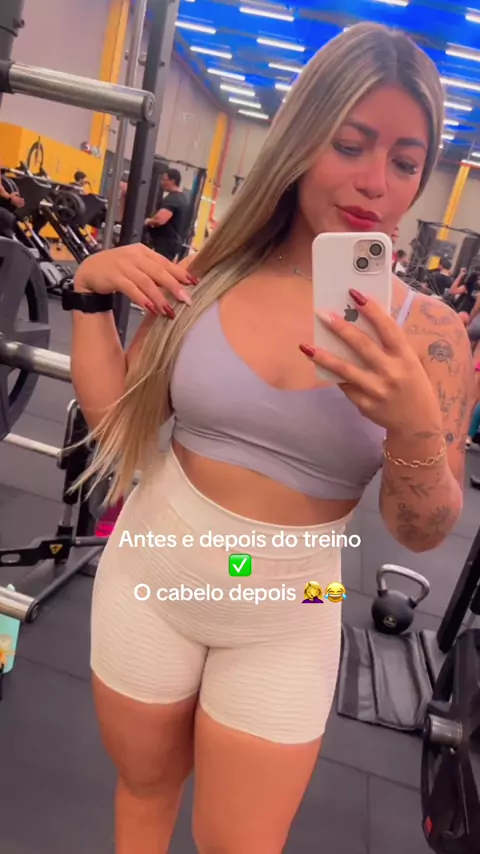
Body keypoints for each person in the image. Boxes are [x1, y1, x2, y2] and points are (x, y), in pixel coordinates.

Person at [69, 23, 472, 854]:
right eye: (349, 145)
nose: (375, 183)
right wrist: (87, 295)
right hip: (151, 570)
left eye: (405, 162)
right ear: (300, 138)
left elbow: (421, 530)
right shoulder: (214, 272)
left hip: (294, 607)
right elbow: (118, 424)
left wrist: (412, 424)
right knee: (143, 795)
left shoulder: (428, 332)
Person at [144, 167, 189, 261]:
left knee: (155, 267)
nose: (162, 182)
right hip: (171, 244)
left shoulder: (173, 199)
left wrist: (147, 221)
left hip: (165, 245)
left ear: (173, 181)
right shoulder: (182, 198)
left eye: (165, 180)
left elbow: (160, 220)